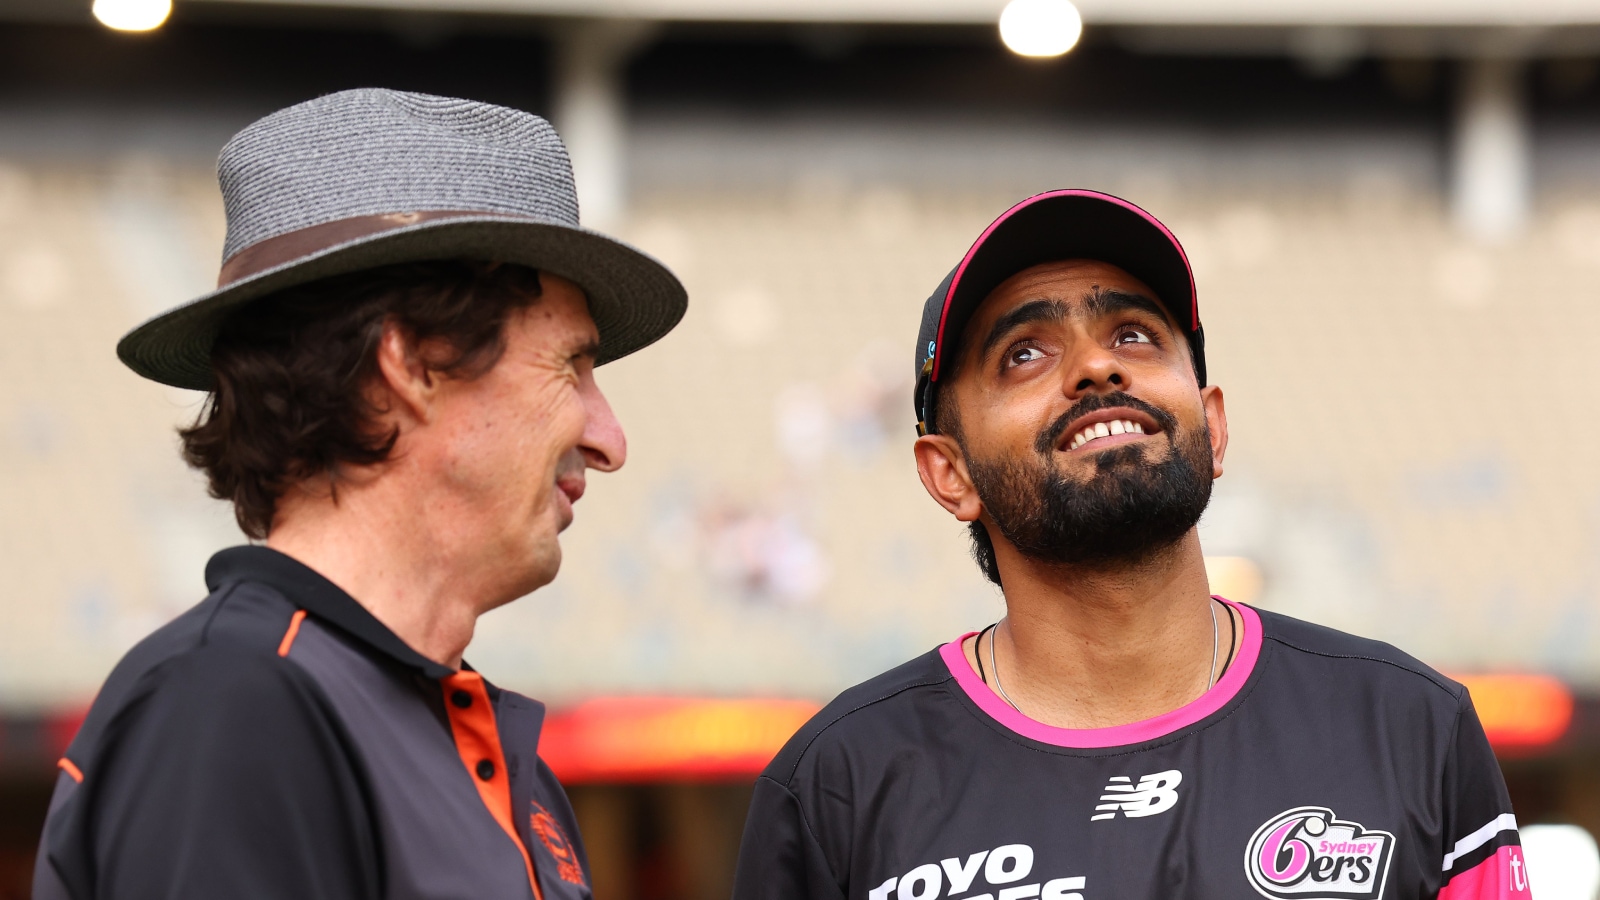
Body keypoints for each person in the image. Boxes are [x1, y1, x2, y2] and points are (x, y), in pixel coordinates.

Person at [732, 190, 1529, 900]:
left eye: (1136, 334)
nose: (1096, 366)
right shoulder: (837, 784)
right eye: (1025, 353)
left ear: (1212, 426)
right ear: (949, 473)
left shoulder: (1412, 725)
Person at [33, 88, 685, 900]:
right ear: (409, 364)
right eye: (571, 367)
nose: (609, 438)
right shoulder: (232, 708)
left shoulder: (460, 739)